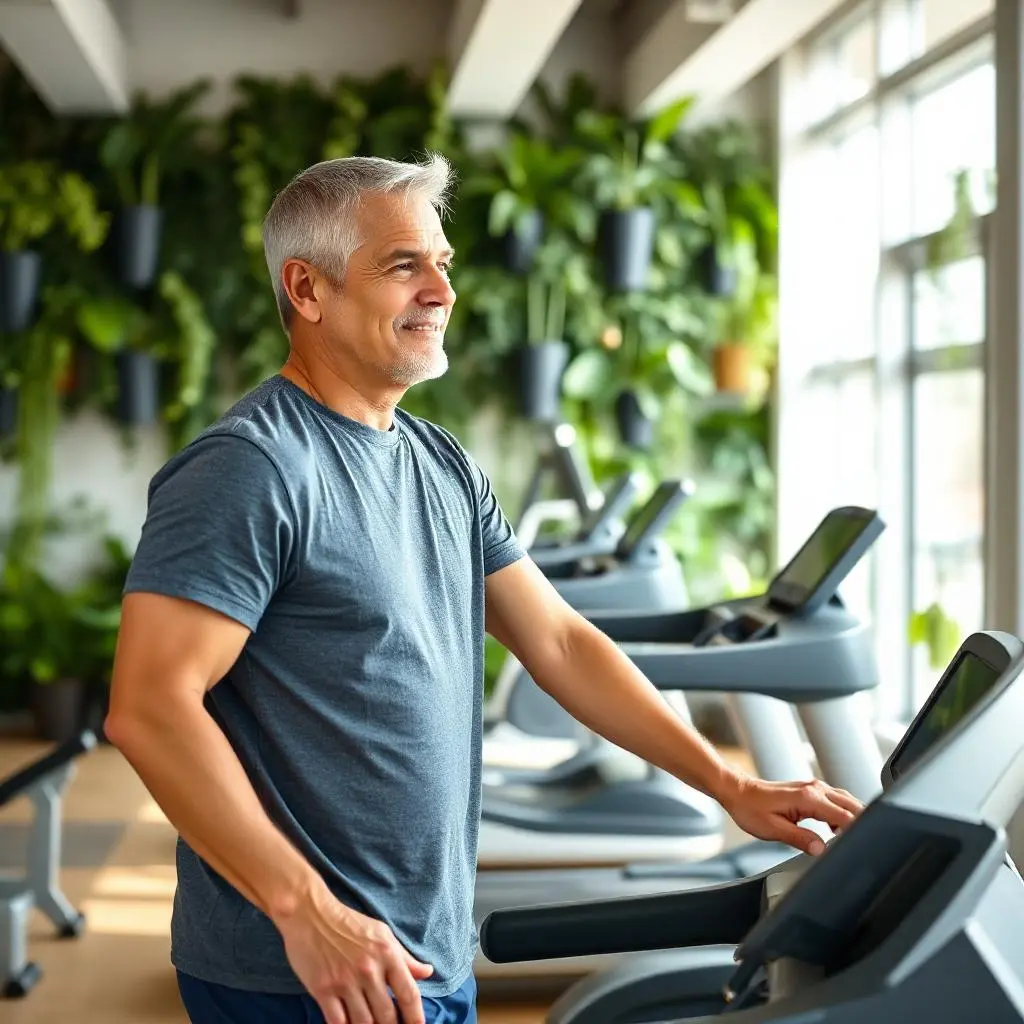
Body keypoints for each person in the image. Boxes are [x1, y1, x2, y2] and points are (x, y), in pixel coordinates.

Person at [105, 153, 863, 1024]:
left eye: (443, 263)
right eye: (404, 266)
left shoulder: (440, 461)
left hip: (427, 946)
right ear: (307, 291)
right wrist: (304, 912)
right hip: (308, 972)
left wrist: (728, 788)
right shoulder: (251, 469)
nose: (442, 291)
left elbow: (561, 643)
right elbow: (151, 707)